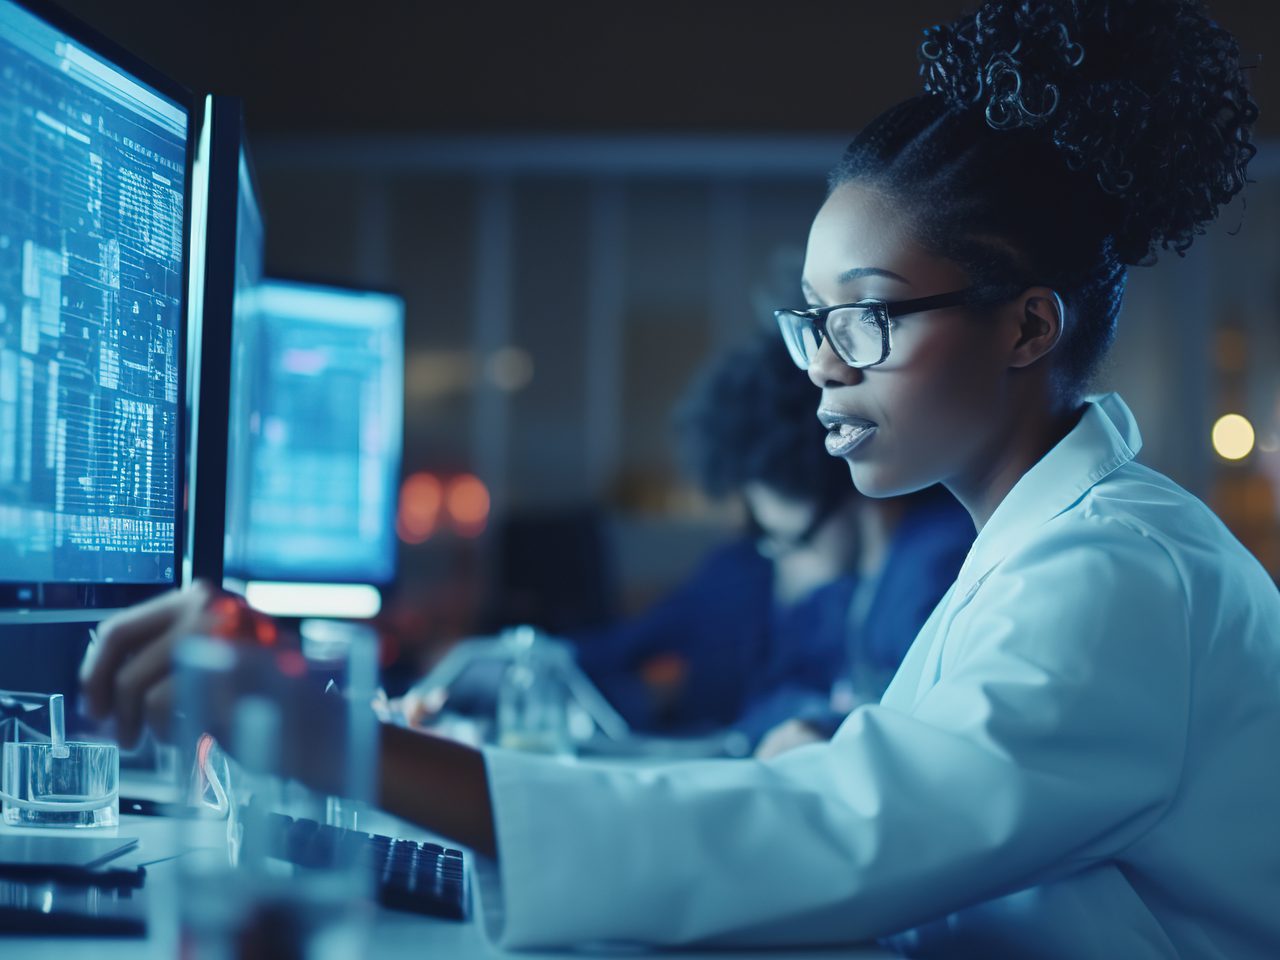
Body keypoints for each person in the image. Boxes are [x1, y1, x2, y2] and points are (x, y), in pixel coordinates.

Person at [82, 1, 1280, 955]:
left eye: (861, 321)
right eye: (807, 322)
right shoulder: (1041, 545)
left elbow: (834, 838)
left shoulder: (1117, 571)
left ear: (1025, 328)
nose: (817, 370)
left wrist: (329, 738)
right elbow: (869, 813)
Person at [567, 333, 971, 747]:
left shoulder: (931, 561)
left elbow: (910, 721)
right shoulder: (760, 578)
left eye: (795, 541)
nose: (780, 558)